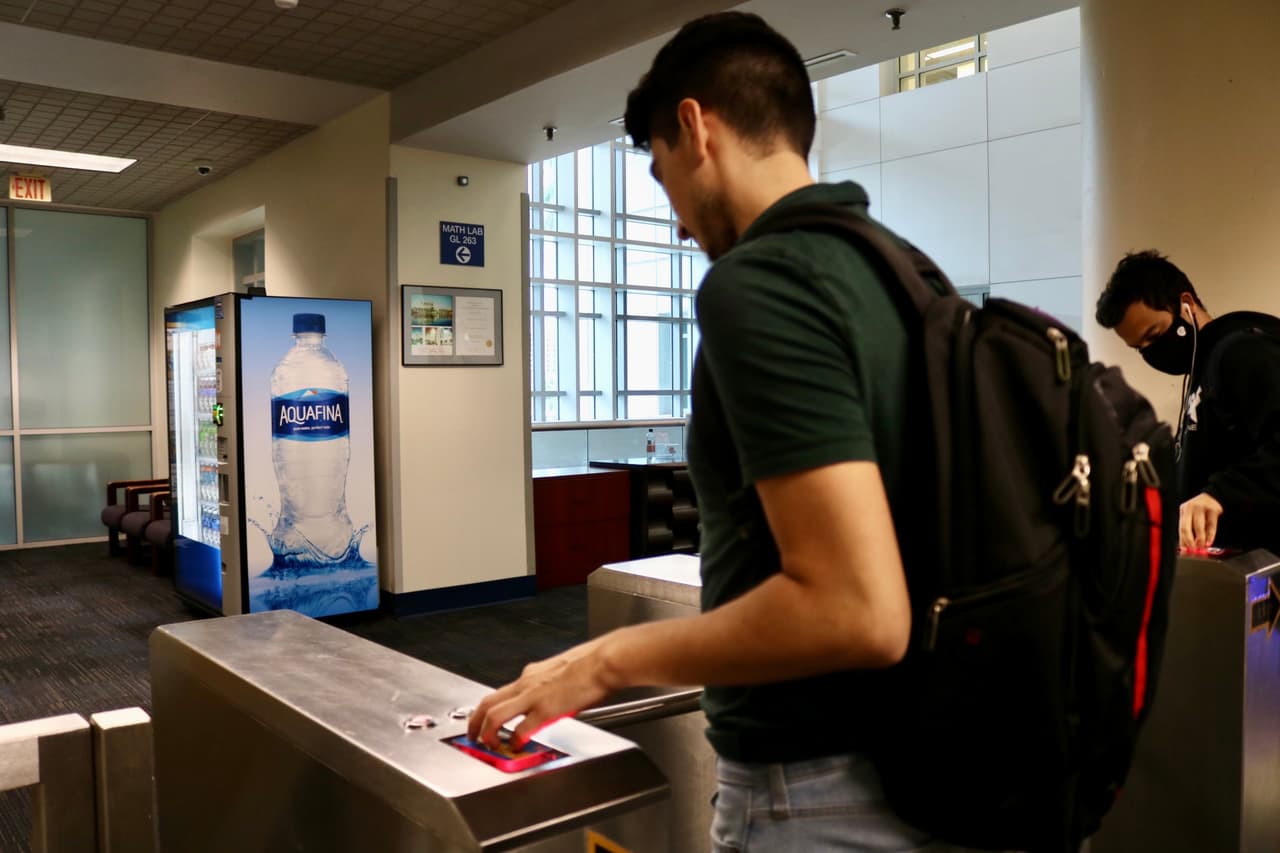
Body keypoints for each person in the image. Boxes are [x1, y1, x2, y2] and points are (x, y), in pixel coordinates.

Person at [468, 11, 970, 851]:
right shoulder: (909, 276)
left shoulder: (761, 283)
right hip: (937, 759)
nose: (673, 221)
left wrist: (599, 661)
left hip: (818, 787)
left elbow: (856, 607)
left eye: (662, 176)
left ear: (696, 128)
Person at [1095, 250, 1280, 552]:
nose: (1151, 352)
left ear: (1186, 304)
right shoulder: (1201, 367)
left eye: (1154, 335)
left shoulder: (1241, 351)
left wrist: (1221, 494)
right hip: (1223, 566)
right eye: (1139, 347)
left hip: (1263, 570)